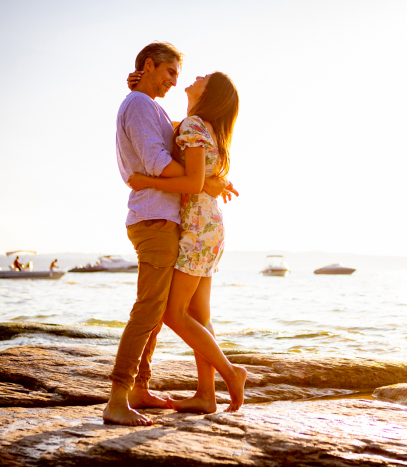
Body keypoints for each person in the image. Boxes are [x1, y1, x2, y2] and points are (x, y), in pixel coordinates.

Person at [103, 42, 233, 427]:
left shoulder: (148, 105)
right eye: (170, 72)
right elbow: (160, 164)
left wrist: (201, 177)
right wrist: (201, 181)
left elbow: (176, 145)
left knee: (157, 311)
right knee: (149, 310)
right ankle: (117, 397)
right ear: (149, 65)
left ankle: (140, 388)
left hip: (164, 218)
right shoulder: (141, 105)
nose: (176, 82)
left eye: (180, 75)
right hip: (154, 220)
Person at [127, 71, 247, 415]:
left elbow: (193, 183)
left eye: (204, 77)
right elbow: (155, 123)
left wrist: (144, 180)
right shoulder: (200, 127)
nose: (195, 76)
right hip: (209, 227)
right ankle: (206, 396)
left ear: (211, 93)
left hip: (196, 227)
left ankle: (230, 373)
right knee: (199, 315)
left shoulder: (195, 126)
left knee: (171, 313)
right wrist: (138, 88)